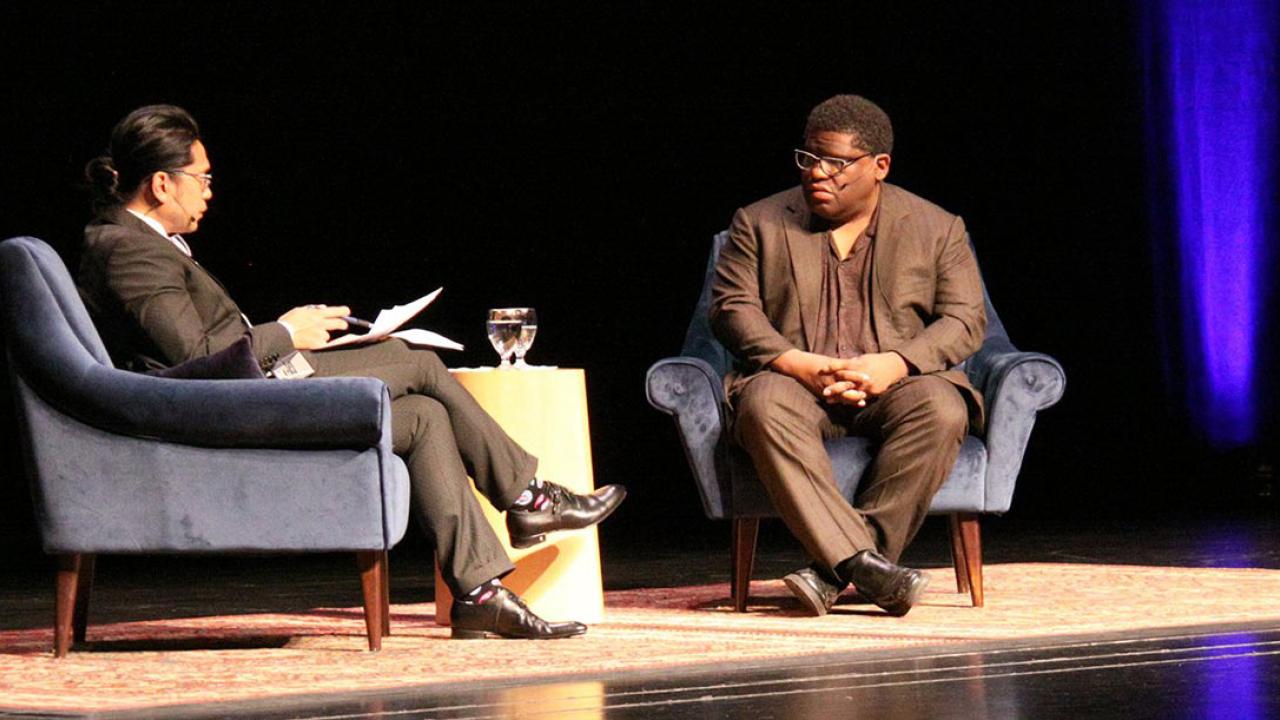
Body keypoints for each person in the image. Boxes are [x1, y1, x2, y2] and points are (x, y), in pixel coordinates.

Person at [77, 104, 625, 640]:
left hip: (249, 388)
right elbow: (197, 359)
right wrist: (286, 332)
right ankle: (530, 499)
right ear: (161, 185)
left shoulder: (141, 241)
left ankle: (479, 595)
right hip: (219, 408)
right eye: (203, 177)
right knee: (422, 366)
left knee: (423, 415)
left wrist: (294, 335)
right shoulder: (127, 248)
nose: (210, 190)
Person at [710, 95, 986, 617]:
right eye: (809, 158)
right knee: (763, 405)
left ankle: (832, 571)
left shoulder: (936, 227)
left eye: (835, 163)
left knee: (943, 406)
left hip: (893, 385)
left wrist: (896, 364)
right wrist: (799, 364)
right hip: (796, 384)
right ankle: (868, 567)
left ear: (879, 166)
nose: (818, 172)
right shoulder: (758, 222)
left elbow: (965, 319)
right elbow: (731, 310)